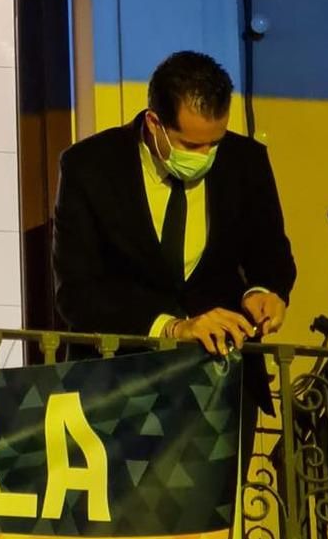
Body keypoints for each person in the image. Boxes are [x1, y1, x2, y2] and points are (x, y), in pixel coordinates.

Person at [52, 50, 296, 412]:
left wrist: (265, 292)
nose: (206, 155)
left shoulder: (246, 162)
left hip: (222, 385)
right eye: (191, 145)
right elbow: (77, 292)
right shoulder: (89, 166)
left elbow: (271, 254)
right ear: (154, 123)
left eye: (215, 142)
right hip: (117, 388)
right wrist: (172, 327)